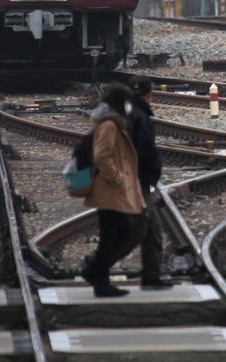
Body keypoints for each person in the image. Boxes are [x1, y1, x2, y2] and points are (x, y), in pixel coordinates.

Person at [80, 83, 145, 297]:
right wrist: (115, 177)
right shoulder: (109, 125)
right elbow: (101, 156)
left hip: (111, 189)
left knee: (117, 233)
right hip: (108, 188)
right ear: (120, 103)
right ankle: (99, 280)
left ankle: (96, 273)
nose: (129, 106)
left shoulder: (112, 123)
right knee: (113, 235)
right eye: (127, 102)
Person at [126, 75, 174, 289]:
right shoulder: (141, 117)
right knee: (143, 229)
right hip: (137, 180)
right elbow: (146, 150)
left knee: (146, 228)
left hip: (126, 178)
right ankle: (96, 266)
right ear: (150, 94)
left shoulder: (125, 114)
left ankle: (151, 276)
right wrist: (153, 173)